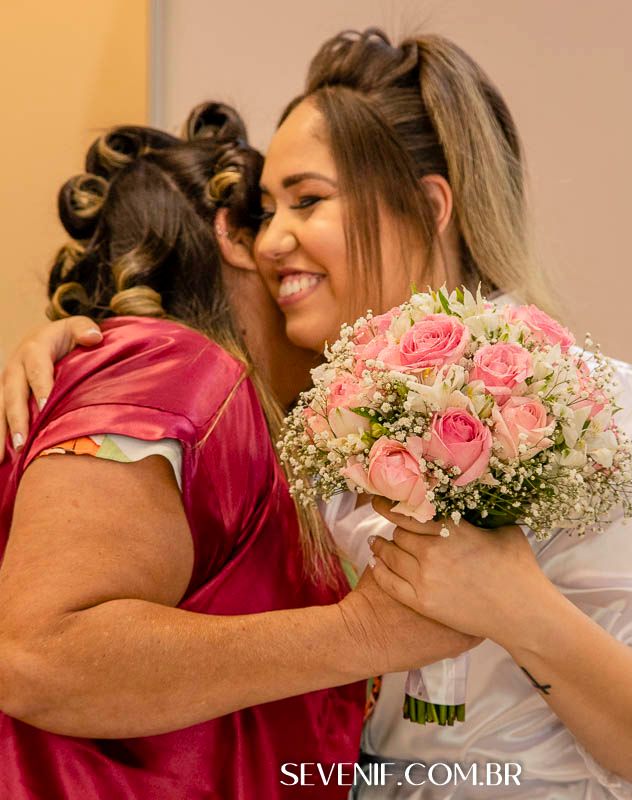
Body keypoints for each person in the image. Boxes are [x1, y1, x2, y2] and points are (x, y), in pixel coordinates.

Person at [2, 28, 632, 799]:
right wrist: (85, 345)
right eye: (266, 209)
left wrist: (517, 607)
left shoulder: (581, 404)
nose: (272, 241)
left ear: (428, 206)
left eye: (308, 201)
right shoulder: (312, 431)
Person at [0, 101, 476, 800]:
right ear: (230, 234)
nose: (288, 243)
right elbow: (39, 653)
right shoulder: (177, 364)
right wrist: (361, 633)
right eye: (274, 214)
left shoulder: (237, 406)